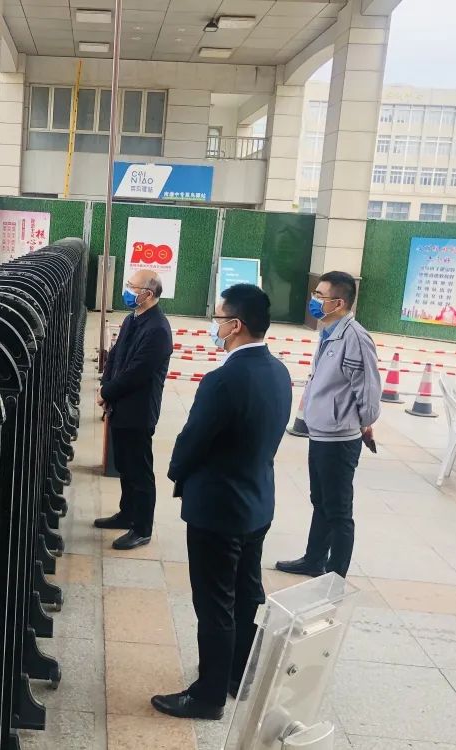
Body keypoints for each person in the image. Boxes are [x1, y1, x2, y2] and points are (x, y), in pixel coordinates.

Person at [152, 284, 292, 720]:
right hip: (256, 501)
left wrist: (176, 470)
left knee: (215, 603)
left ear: (235, 325)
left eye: (218, 319)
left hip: (218, 509)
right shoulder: (278, 371)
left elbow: (194, 438)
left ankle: (208, 696)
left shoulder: (223, 379)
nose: (214, 326)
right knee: (246, 594)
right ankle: (235, 675)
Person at [276, 270, 382, 579]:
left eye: (320, 296)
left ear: (339, 303)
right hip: (321, 432)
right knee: (320, 501)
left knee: (338, 510)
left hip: (339, 438)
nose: (314, 301)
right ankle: (313, 560)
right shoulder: (329, 333)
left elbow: (368, 389)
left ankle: (335, 576)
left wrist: (363, 423)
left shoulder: (355, 338)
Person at [94, 269, 173, 550]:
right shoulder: (133, 319)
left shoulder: (158, 330)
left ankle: (142, 528)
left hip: (138, 411)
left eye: (132, 286)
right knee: (125, 466)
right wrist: (105, 386)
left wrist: (108, 392)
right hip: (120, 405)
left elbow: (137, 372)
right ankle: (126, 513)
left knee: (139, 471)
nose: (127, 290)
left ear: (147, 294)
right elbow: (116, 356)